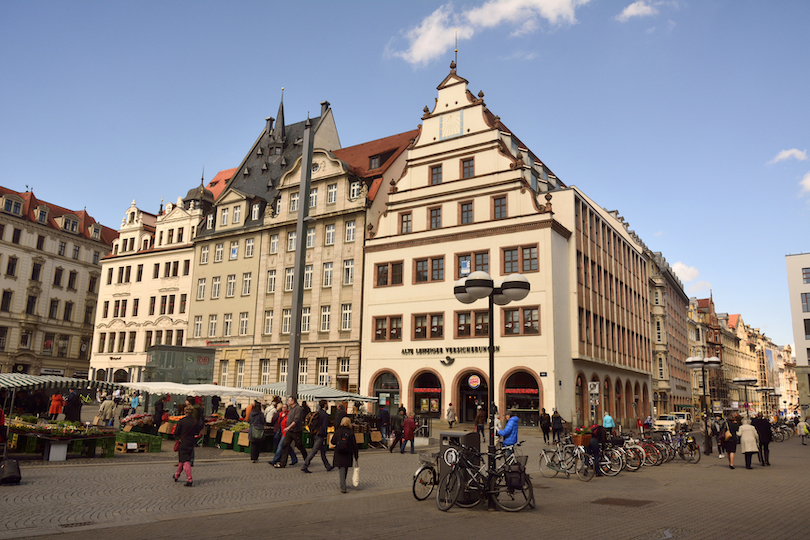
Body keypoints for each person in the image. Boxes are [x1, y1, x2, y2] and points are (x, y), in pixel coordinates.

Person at [273, 396, 308, 468]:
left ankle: (307, 460)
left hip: (296, 431)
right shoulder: (291, 409)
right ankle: (282, 463)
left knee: (299, 446)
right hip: (289, 431)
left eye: (289, 400)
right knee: (285, 445)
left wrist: (288, 427)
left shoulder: (298, 409)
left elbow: (296, 420)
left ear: (293, 401)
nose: (288, 402)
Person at [301, 400, 334, 473]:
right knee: (313, 451)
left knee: (322, 451)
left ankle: (327, 465)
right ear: (325, 405)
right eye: (327, 404)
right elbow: (324, 427)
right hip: (320, 435)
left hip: (315, 434)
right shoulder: (325, 415)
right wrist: (325, 435)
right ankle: (305, 466)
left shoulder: (318, 413)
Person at [173, 405, 200, 487]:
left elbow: (176, 433)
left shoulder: (181, 421)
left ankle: (189, 479)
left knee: (186, 461)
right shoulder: (195, 421)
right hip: (191, 442)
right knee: (183, 459)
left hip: (183, 441)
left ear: (185, 412)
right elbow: (197, 432)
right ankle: (176, 475)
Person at [331, 416, 359, 493]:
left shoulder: (338, 431)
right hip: (348, 453)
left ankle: (343, 485)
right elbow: (354, 445)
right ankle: (343, 484)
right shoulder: (350, 432)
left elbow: (332, 441)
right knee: (345, 468)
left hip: (339, 452)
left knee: (341, 469)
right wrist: (356, 456)